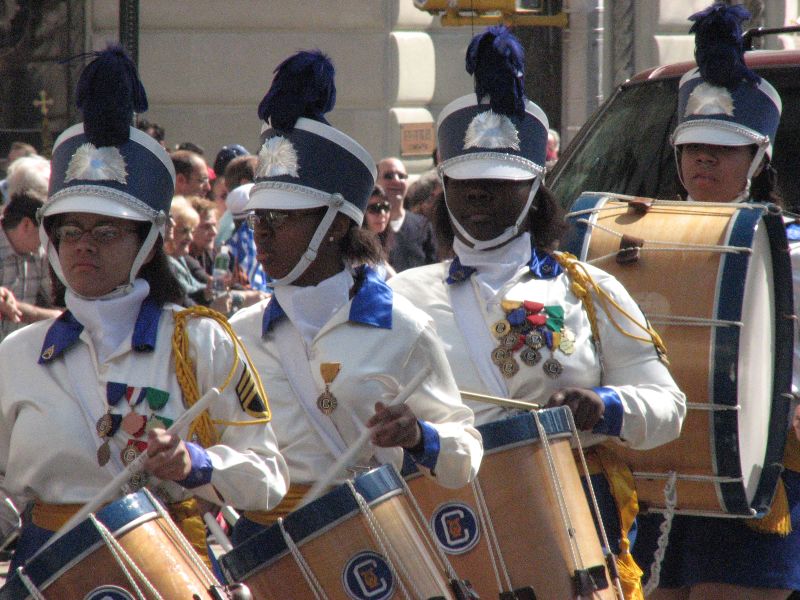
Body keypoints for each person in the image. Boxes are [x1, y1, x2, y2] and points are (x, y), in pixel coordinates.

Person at [388, 26, 686, 600]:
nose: (478, 195)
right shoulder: (401, 293)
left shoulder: (588, 288)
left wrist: (603, 406)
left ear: (534, 189)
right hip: (448, 526)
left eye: (499, 183)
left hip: (573, 522)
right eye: (466, 182)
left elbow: (667, 407)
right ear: (444, 186)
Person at [0, 46, 288, 572]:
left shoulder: (200, 341)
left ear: (150, 243)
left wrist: (196, 464)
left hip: (169, 565)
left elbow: (267, 478)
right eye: (69, 231)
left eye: (106, 232)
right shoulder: (16, 355)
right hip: (49, 574)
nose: (84, 245)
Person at [228, 50, 482, 543]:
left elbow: (464, 455)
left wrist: (419, 437)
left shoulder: (403, 328)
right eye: (260, 218)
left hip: (370, 544)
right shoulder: (235, 335)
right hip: (262, 551)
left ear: (336, 225)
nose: (263, 233)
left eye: (283, 219)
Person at [629, 5, 800, 599]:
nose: (704, 158)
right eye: (693, 145)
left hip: (759, 470)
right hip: (663, 467)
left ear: (757, 160)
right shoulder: (639, 241)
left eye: (724, 149)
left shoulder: (793, 253)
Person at [0, 191, 62, 341]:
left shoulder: (40, 255)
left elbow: (54, 299)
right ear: (26, 224)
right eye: (45, 233)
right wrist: (54, 318)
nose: (47, 240)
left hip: (17, 351)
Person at [377, 156, 437, 271]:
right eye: (388, 176)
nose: (396, 180)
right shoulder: (365, 225)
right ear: (376, 181)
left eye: (401, 176)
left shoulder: (424, 225)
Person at [362, 185, 396, 279]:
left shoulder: (379, 245)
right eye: (374, 208)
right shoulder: (354, 252)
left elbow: (394, 279)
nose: (382, 214)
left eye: (386, 207)